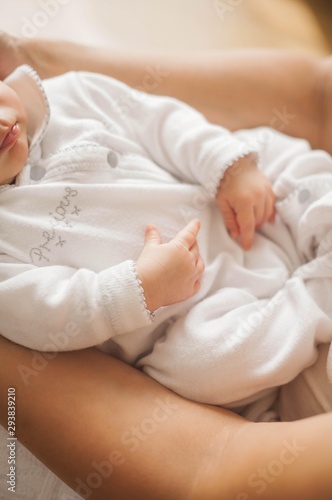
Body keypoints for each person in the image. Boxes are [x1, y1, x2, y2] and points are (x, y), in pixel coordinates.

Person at [0, 31, 332, 499]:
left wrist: (229, 167)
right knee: (198, 369)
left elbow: (161, 120)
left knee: (289, 164)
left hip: (244, 211)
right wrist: (138, 287)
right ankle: (313, 300)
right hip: (201, 314)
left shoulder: (72, 94)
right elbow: (50, 310)